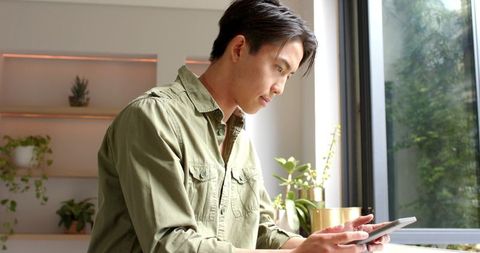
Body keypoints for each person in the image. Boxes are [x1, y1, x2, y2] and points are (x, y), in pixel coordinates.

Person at [88, 0, 390, 252]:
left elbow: (261, 228)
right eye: (279, 68)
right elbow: (170, 243)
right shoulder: (152, 118)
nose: (280, 88)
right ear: (238, 49)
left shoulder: (240, 138)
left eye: (288, 75)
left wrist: (322, 244)